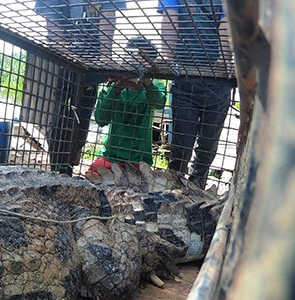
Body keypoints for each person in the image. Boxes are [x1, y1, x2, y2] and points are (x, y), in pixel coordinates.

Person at [26, 0, 126, 174]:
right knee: (58, 120)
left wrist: (105, 58)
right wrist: (68, 56)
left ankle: (69, 165)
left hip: (90, 68)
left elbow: (108, 16)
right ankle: (58, 170)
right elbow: (52, 23)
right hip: (59, 65)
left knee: (81, 121)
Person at [158, 0, 233, 188]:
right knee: (182, 145)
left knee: (208, 145)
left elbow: (228, 21)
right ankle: (175, 183)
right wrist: (166, 56)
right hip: (185, 80)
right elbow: (170, 16)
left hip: (218, 83)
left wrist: (224, 60)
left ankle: (197, 185)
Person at [87, 39, 166, 175]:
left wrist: (146, 82)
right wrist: (116, 89)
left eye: (142, 60)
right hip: (111, 155)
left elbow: (158, 103)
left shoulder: (155, 86)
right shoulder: (110, 86)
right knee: (92, 176)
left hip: (139, 159)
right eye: (131, 56)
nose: (135, 63)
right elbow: (101, 120)